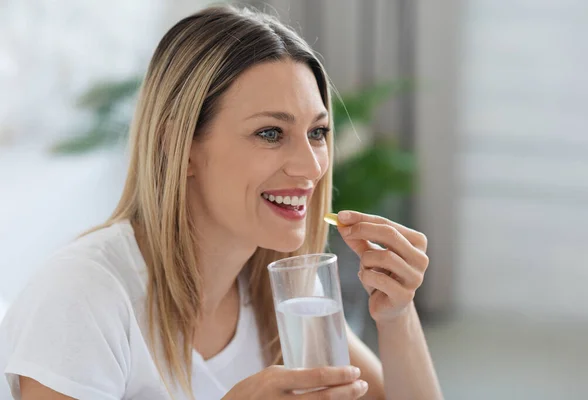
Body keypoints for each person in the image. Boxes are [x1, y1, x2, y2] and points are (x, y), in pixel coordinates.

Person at [0, 5, 442, 400]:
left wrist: (397, 315)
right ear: (178, 145)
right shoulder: (83, 296)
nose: (310, 167)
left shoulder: (287, 295)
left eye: (318, 132)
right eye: (271, 133)